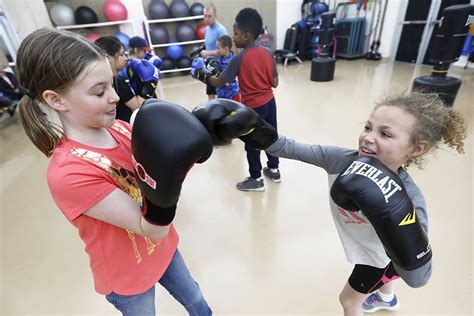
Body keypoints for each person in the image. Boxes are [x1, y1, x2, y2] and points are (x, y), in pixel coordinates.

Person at [192, 92, 467, 315]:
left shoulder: (411, 198)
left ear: (416, 149)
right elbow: (286, 147)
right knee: (381, 283)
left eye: (386, 134)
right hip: (372, 251)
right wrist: (253, 128)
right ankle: (388, 298)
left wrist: (395, 212)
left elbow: (418, 274)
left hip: (379, 260)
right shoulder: (340, 160)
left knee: (348, 300)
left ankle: (384, 293)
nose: (369, 137)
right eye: (368, 127)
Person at [16, 28, 212, 316]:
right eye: (99, 91)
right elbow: (151, 226)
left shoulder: (119, 129)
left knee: (196, 301)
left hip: (164, 249)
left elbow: (159, 173)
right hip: (127, 277)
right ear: (56, 100)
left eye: (112, 85)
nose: (115, 98)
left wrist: (203, 134)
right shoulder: (69, 173)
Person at [192, 8, 281, 192]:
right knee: (270, 135)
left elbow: (219, 82)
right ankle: (274, 169)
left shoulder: (239, 59)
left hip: (253, 108)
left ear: (246, 35)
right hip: (270, 103)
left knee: (252, 143)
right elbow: (275, 83)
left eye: (236, 33)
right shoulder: (268, 53)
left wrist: (203, 74)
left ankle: (256, 179)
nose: (233, 37)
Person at [95, 36, 144, 123]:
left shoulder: (101, 79)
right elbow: (138, 107)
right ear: (108, 58)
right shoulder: (116, 80)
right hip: (126, 127)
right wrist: (150, 83)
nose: (125, 58)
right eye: (121, 54)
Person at [200, 4, 228, 100]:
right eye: (205, 16)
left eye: (209, 16)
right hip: (209, 66)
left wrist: (207, 53)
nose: (206, 19)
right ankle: (211, 112)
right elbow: (209, 43)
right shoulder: (207, 29)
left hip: (220, 67)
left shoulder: (221, 30)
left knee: (223, 93)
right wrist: (202, 47)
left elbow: (224, 51)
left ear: (215, 16)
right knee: (210, 92)